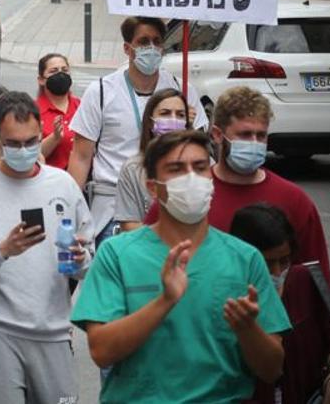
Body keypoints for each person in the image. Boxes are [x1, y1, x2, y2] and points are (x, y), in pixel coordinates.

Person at [73, 130, 289, 402]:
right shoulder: (117, 254)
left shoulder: (245, 259)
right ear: (153, 188)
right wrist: (164, 302)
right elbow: (101, 351)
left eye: (200, 167)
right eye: (176, 169)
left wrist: (248, 330)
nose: (191, 178)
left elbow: (272, 369)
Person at [0, 92, 92, 404]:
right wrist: (1, 251)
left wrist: (82, 259)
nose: (25, 150)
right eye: (13, 144)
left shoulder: (63, 185)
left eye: (31, 141)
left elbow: (88, 258)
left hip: (53, 332)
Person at [140, 86, 330, 279]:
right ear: (216, 134)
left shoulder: (295, 201)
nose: (254, 143)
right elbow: (144, 262)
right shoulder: (184, 194)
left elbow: (314, 281)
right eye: (245, 135)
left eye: (261, 136)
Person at [67, 16, 208, 246]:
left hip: (172, 202)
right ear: (127, 48)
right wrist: (71, 213)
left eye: (156, 41)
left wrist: (188, 125)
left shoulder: (182, 90)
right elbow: (81, 157)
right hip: (112, 206)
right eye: (143, 42)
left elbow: (201, 150)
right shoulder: (101, 91)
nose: (151, 48)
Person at [230, 204, 330, 404]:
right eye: (266, 263)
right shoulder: (226, 299)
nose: (276, 272)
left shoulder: (306, 281)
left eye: (284, 261)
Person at [113, 88, 188, 232]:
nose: (173, 120)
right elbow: (129, 225)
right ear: (150, 121)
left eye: (180, 115)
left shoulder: (201, 164)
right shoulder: (133, 169)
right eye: (165, 114)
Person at [37, 53, 80, 170]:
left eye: (65, 70)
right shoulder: (32, 111)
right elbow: (30, 155)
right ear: (41, 80)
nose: (60, 75)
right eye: (53, 71)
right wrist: (55, 138)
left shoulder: (82, 106)